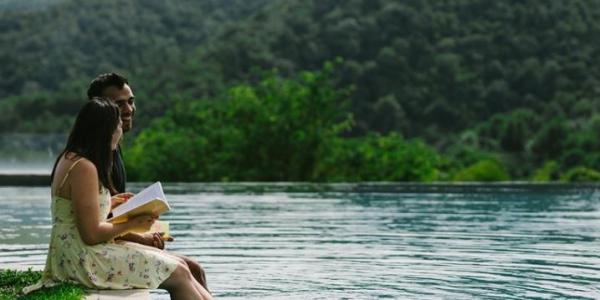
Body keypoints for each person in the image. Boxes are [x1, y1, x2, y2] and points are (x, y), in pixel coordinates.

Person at [23, 98, 211, 300]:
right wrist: (132, 223)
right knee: (179, 273)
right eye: (119, 126)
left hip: (76, 253)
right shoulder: (84, 167)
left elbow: (72, 209)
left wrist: (109, 203)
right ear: (106, 131)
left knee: (182, 267)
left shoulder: (71, 158)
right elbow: (91, 234)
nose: (121, 133)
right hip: (82, 259)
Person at [86, 73, 209, 291]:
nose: (128, 110)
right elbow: (92, 223)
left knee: (195, 268)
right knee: (190, 268)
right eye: (119, 104)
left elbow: (108, 210)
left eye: (131, 101)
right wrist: (141, 237)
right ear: (100, 109)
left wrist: (148, 228)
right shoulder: (93, 157)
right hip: (100, 249)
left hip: (113, 237)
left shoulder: (113, 148)